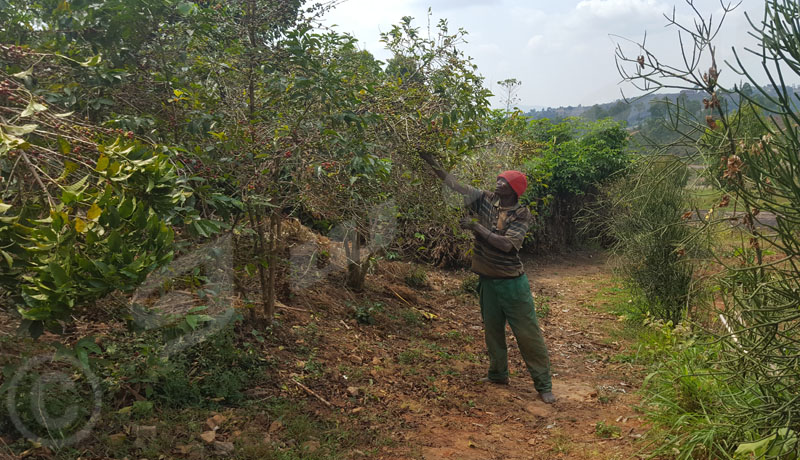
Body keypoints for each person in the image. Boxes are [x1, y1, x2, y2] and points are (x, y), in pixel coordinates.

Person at [420, 152, 556, 404]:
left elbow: (507, 245)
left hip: (512, 284)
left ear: (513, 189)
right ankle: (497, 375)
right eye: (498, 179)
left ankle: (543, 384)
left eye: (503, 181)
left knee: (527, 334)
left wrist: (476, 227)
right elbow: (454, 185)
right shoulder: (485, 199)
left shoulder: (521, 214)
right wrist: (431, 161)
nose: (497, 183)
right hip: (487, 281)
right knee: (492, 331)